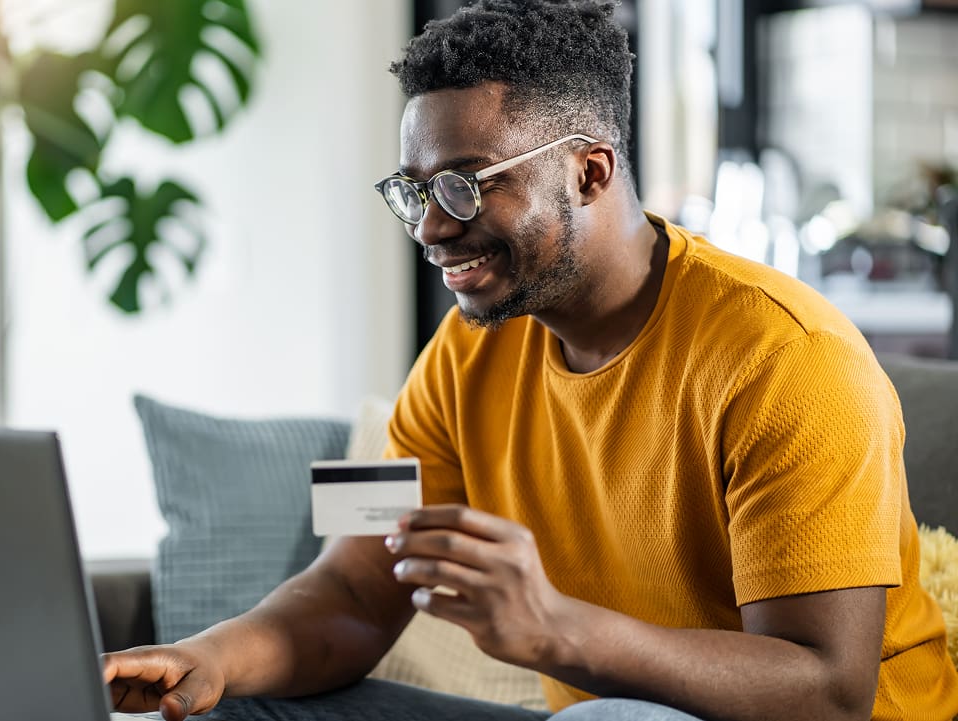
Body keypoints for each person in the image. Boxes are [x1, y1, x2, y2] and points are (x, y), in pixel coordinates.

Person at [104, 1, 958, 719]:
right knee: (240, 704)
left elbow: (828, 686)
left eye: (466, 185)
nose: (432, 227)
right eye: (414, 189)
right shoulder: (468, 349)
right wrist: (205, 657)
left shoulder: (785, 359)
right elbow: (358, 591)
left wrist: (555, 630)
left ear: (590, 171)